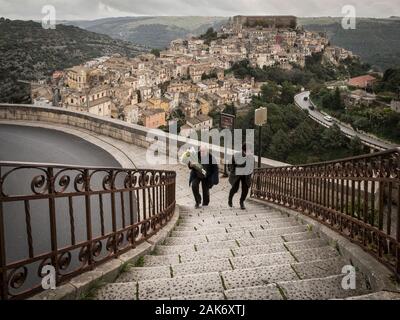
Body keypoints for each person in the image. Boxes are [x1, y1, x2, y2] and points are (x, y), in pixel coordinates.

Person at [228, 143, 254, 210]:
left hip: (246, 175)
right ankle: (230, 198)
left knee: (245, 189)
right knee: (235, 188)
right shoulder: (236, 155)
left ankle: (241, 202)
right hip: (236, 174)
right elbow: (230, 163)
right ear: (244, 150)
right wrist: (233, 171)